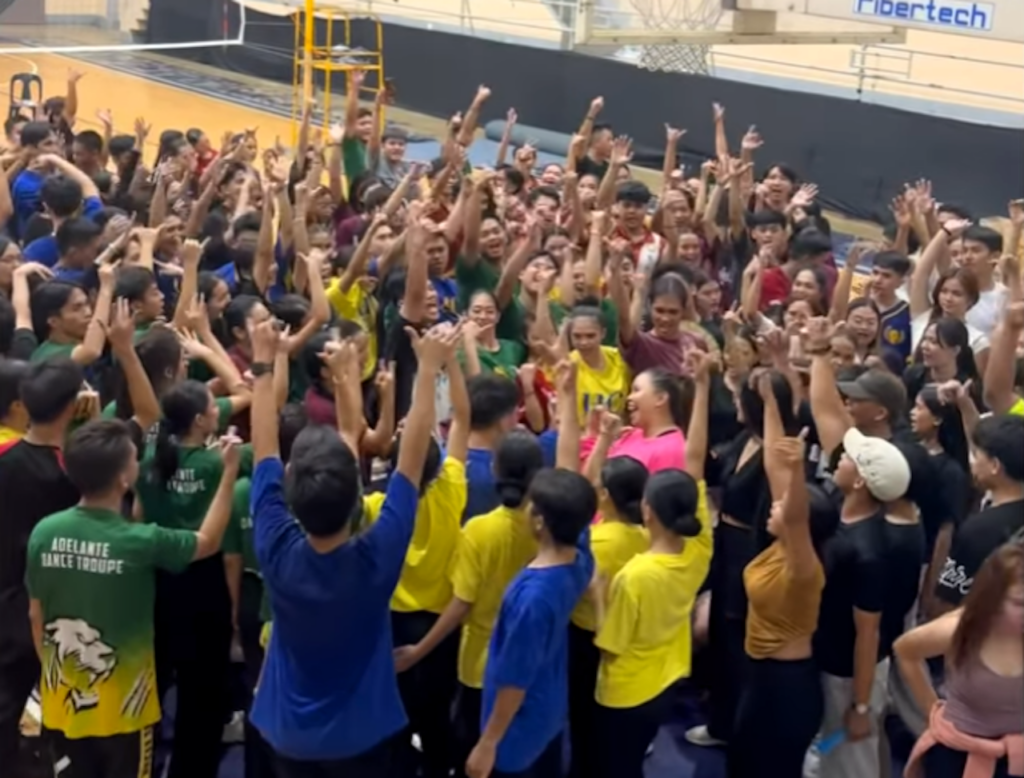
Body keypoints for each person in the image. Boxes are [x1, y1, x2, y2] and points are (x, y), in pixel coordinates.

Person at [249, 316, 458, 775]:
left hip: (288, 735)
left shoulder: (275, 546)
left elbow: (263, 448)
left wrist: (264, 364)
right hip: (363, 735)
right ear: (358, 501)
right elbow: (410, 460)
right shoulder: (378, 554)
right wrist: (426, 373)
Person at [25, 419, 241, 778]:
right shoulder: (140, 542)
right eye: (133, 460)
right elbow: (208, 541)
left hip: (63, 703)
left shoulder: (43, 533)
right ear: (124, 478)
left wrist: (55, 677)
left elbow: (36, 615)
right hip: (126, 711)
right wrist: (229, 474)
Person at [465, 360, 596, 778]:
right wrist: (570, 398)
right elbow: (570, 469)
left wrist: (487, 743)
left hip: (515, 732)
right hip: (549, 711)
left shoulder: (531, 599)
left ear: (539, 520)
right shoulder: (580, 554)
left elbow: (513, 682)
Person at [593, 349, 714, 778]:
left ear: (646, 512)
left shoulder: (635, 575)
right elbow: (695, 459)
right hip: (668, 679)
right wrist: (702, 386)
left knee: (615, 765)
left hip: (625, 690)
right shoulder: (698, 551)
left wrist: (597, 595)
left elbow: (609, 643)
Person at [813, 428, 911, 778]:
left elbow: (867, 634)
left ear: (860, 483)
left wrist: (860, 704)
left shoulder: (869, 551)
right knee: (831, 750)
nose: (838, 458)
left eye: (847, 458)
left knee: (851, 762)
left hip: (850, 674)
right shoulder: (840, 510)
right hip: (830, 661)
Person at [895, 542, 1024, 778]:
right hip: (957, 756)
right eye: (1019, 603)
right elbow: (905, 650)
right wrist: (931, 710)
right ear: (993, 600)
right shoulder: (963, 629)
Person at [935, 415, 1024, 610]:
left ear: (995, 466)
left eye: (976, 455)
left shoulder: (980, 531)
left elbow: (948, 605)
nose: (972, 462)